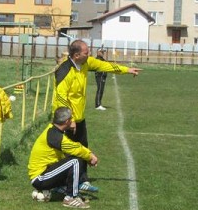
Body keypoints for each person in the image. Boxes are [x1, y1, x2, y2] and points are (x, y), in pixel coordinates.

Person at [52, 39, 142, 191]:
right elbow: (61, 98)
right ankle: (61, 183)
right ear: (76, 55)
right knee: (67, 151)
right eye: (86, 53)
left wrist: (126, 70)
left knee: (83, 148)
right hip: (65, 120)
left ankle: (82, 180)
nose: (89, 55)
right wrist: (69, 120)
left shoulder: (86, 63)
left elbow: (103, 65)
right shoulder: (64, 70)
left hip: (79, 118)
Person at [28, 107, 98, 209]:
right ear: (66, 121)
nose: (73, 121)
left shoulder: (53, 130)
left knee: (75, 158)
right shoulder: (54, 135)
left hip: (46, 173)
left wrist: (87, 155)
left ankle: (64, 189)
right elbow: (75, 148)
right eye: (71, 119)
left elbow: (71, 150)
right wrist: (90, 156)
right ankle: (70, 198)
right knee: (75, 161)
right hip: (40, 178)